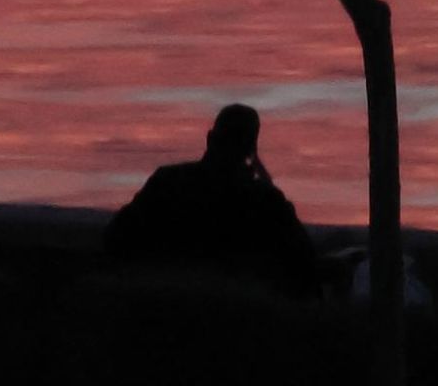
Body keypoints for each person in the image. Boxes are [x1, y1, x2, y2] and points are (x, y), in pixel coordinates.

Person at [101, 101, 320, 300]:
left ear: (210, 138)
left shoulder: (167, 181)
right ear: (251, 149)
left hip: (161, 312)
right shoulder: (266, 201)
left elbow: (114, 238)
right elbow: (304, 262)